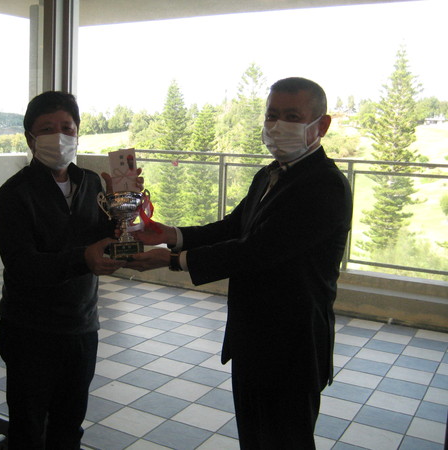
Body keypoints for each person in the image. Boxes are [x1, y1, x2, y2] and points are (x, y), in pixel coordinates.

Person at [127, 77, 353, 449]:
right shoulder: (269, 174)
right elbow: (234, 228)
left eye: (292, 117)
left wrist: (173, 260)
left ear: (321, 125)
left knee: (285, 441)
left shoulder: (324, 186)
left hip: (292, 347)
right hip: (252, 338)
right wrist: (170, 234)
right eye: (272, 115)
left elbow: (257, 251)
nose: (277, 126)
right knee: (254, 437)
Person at [0, 91, 141, 449]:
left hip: (81, 326)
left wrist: (124, 212)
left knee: (69, 427)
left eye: (67, 127)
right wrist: (83, 259)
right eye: (47, 128)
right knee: (28, 430)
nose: (59, 136)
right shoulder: (13, 193)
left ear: (77, 133)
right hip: (30, 330)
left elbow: (105, 238)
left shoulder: (92, 183)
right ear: (30, 137)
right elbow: (22, 265)